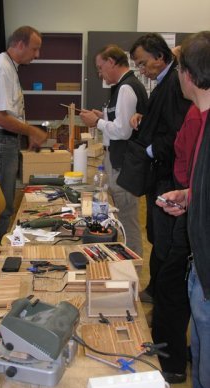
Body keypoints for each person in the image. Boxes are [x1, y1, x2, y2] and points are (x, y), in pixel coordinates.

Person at [157, 31, 210, 388]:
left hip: (208, 280)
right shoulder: (203, 118)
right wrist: (190, 197)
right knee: (202, 374)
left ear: (187, 74)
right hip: (200, 272)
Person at [0, 26, 47, 278]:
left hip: (4, 142)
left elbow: (8, 114)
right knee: (0, 208)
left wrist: (23, 133)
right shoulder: (2, 69)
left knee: (4, 207)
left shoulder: (9, 67)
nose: (37, 54)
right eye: (34, 48)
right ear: (19, 44)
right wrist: (30, 131)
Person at [129, 33, 191, 302]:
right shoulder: (164, 82)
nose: (142, 70)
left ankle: (163, 297)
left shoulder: (175, 84)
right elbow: (163, 121)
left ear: (160, 57)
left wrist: (150, 150)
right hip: (158, 174)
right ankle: (155, 290)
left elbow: (178, 131)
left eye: (143, 64)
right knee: (155, 235)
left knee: (165, 241)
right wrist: (145, 118)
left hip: (168, 175)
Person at [80, 44, 148, 257]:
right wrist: (102, 117)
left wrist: (97, 123)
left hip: (125, 163)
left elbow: (123, 131)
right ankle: (124, 261)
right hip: (119, 160)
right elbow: (122, 122)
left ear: (111, 62)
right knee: (122, 217)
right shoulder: (121, 87)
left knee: (127, 219)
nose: (100, 73)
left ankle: (133, 269)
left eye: (100, 68)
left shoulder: (127, 87)